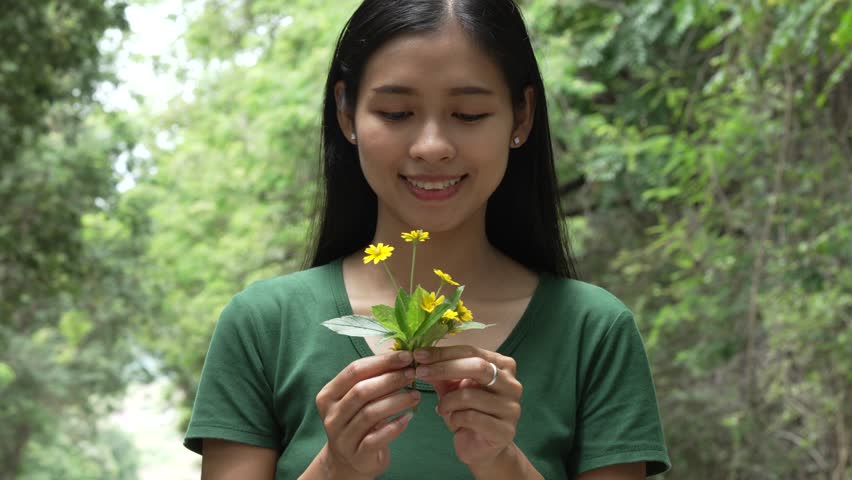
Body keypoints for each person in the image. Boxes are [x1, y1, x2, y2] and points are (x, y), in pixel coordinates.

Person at [183, 0, 671, 478]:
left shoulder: (594, 331)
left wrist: (502, 462)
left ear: (521, 117)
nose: (432, 146)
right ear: (347, 113)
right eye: (396, 113)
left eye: (470, 114)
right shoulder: (262, 326)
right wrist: (337, 467)